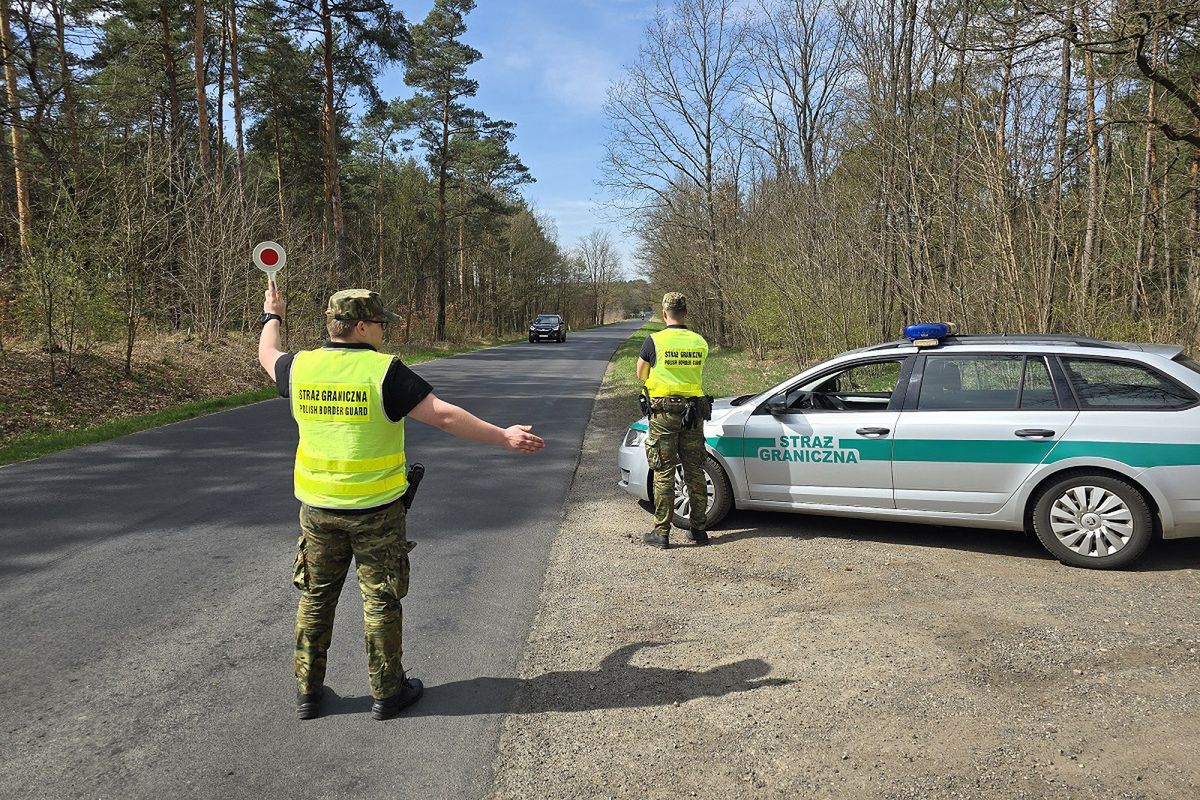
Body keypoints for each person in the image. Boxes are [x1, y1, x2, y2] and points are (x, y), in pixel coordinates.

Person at [257, 286, 545, 721]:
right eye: (379, 324)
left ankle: (307, 692)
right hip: (376, 511)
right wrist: (502, 436)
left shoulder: (300, 366)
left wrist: (272, 315)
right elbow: (443, 416)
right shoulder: (383, 371)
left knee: (315, 598)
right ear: (360, 326)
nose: (383, 331)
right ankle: (388, 692)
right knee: (380, 600)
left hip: (318, 510)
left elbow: (267, 353)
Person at [635, 292, 710, 549]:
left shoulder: (654, 341)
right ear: (686, 313)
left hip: (664, 414)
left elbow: (641, 374)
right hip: (693, 414)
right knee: (695, 471)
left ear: (664, 313)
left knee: (664, 472)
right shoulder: (700, 341)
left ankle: (662, 533)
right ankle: (699, 531)